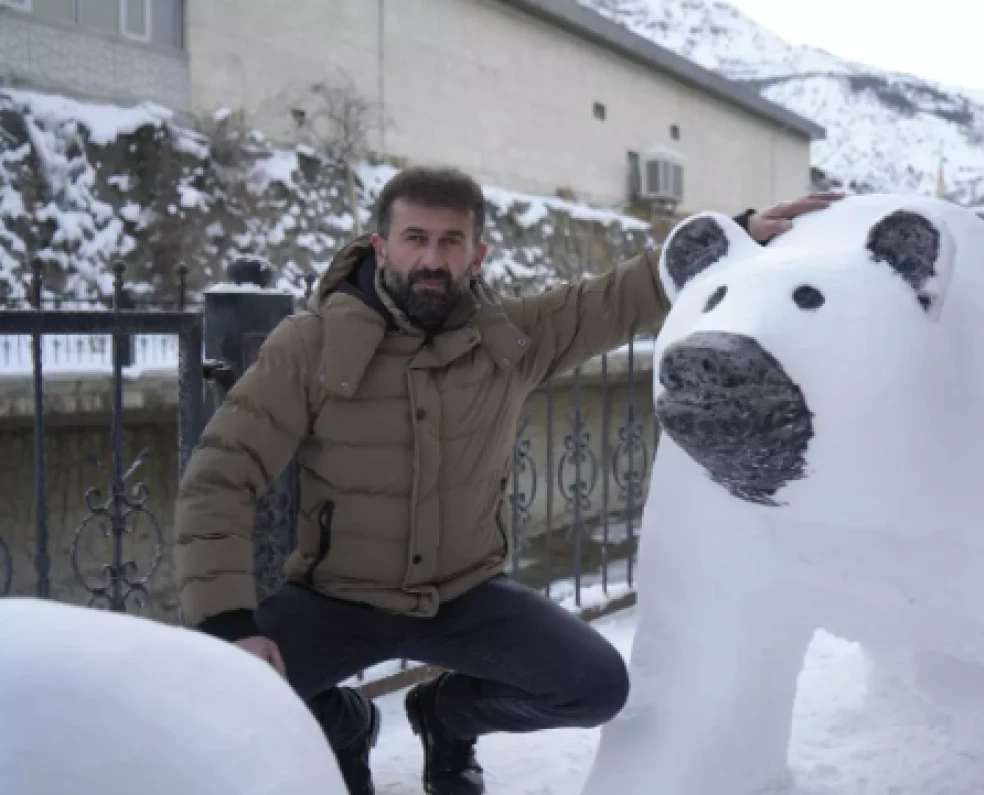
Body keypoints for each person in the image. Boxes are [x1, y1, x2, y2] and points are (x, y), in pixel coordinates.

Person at [174, 165, 842, 795]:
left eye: (451, 241)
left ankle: (446, 717)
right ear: (382, 246)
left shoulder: (511, 338)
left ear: (478, 254)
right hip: (336, 598)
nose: (432, 258)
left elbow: (615, 297)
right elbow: (220, 476)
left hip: (464, 595)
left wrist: (730, 236)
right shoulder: (310, 345)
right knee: (220, 693)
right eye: (415, 238)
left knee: (595, 686)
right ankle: (342, 724)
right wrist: (232, 623)